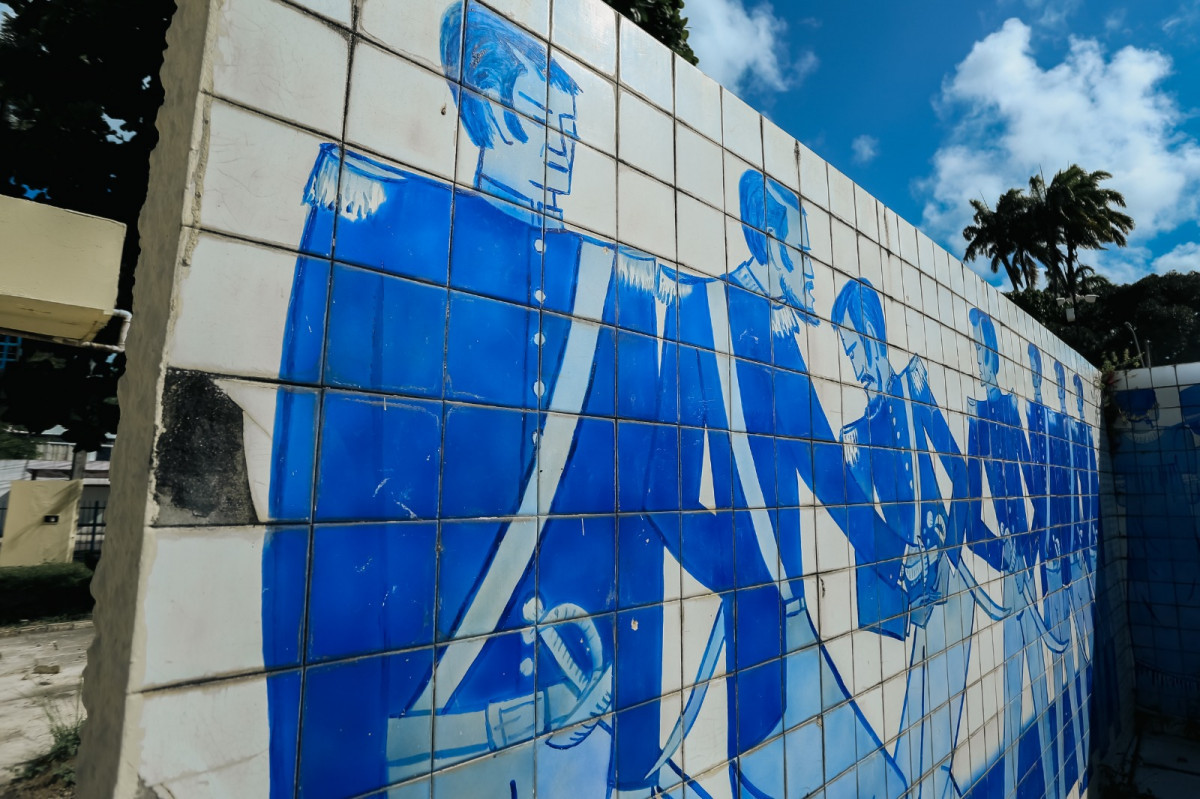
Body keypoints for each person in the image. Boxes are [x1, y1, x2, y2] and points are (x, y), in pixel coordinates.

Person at [264, 4, 679, 796]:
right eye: (538, 117)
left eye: (571, 126)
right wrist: (325, 773)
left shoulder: (615, 289)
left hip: (576, 729)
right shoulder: (378, 226)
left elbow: (639, 526)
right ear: (487, 110)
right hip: (432, 727)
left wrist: (637, 743)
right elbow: (318, 515)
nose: (563, 145)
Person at [832, 280, 987, 799]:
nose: (853, 363)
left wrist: (948, 549)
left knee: (934, 739)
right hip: (907, 605)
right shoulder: (856, 435)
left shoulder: (913, 385)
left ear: (874, 334)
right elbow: (863, 547)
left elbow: (960, 472)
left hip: (948, 583)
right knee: (914, 746)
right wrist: (901, 578)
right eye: (846, 351)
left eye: (854, 347)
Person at [965, 314, 1052, 799]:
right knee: (1012, 687)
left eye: (983, 350)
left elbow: (1035, 486)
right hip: (1007, 567)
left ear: (994, 356)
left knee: (1032, 681)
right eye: (974, 349)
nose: (978, 360)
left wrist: (1033, 540)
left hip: (1030, 557)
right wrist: (1003, 555)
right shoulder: (978, 419)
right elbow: (970, 518)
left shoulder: (1008, 411)